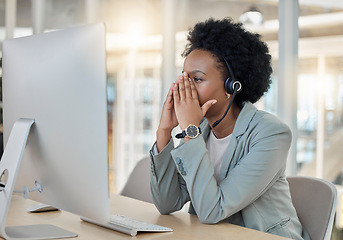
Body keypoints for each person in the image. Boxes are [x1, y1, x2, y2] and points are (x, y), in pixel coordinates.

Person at [149, 18, 307, 239]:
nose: (184, 88)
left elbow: (212, 210)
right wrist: (164, 131)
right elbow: (167, 202)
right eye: (184, 78)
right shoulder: (201, 130)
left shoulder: (271, 133)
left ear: (230, 87)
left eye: (196, 79)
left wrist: (190, 130)